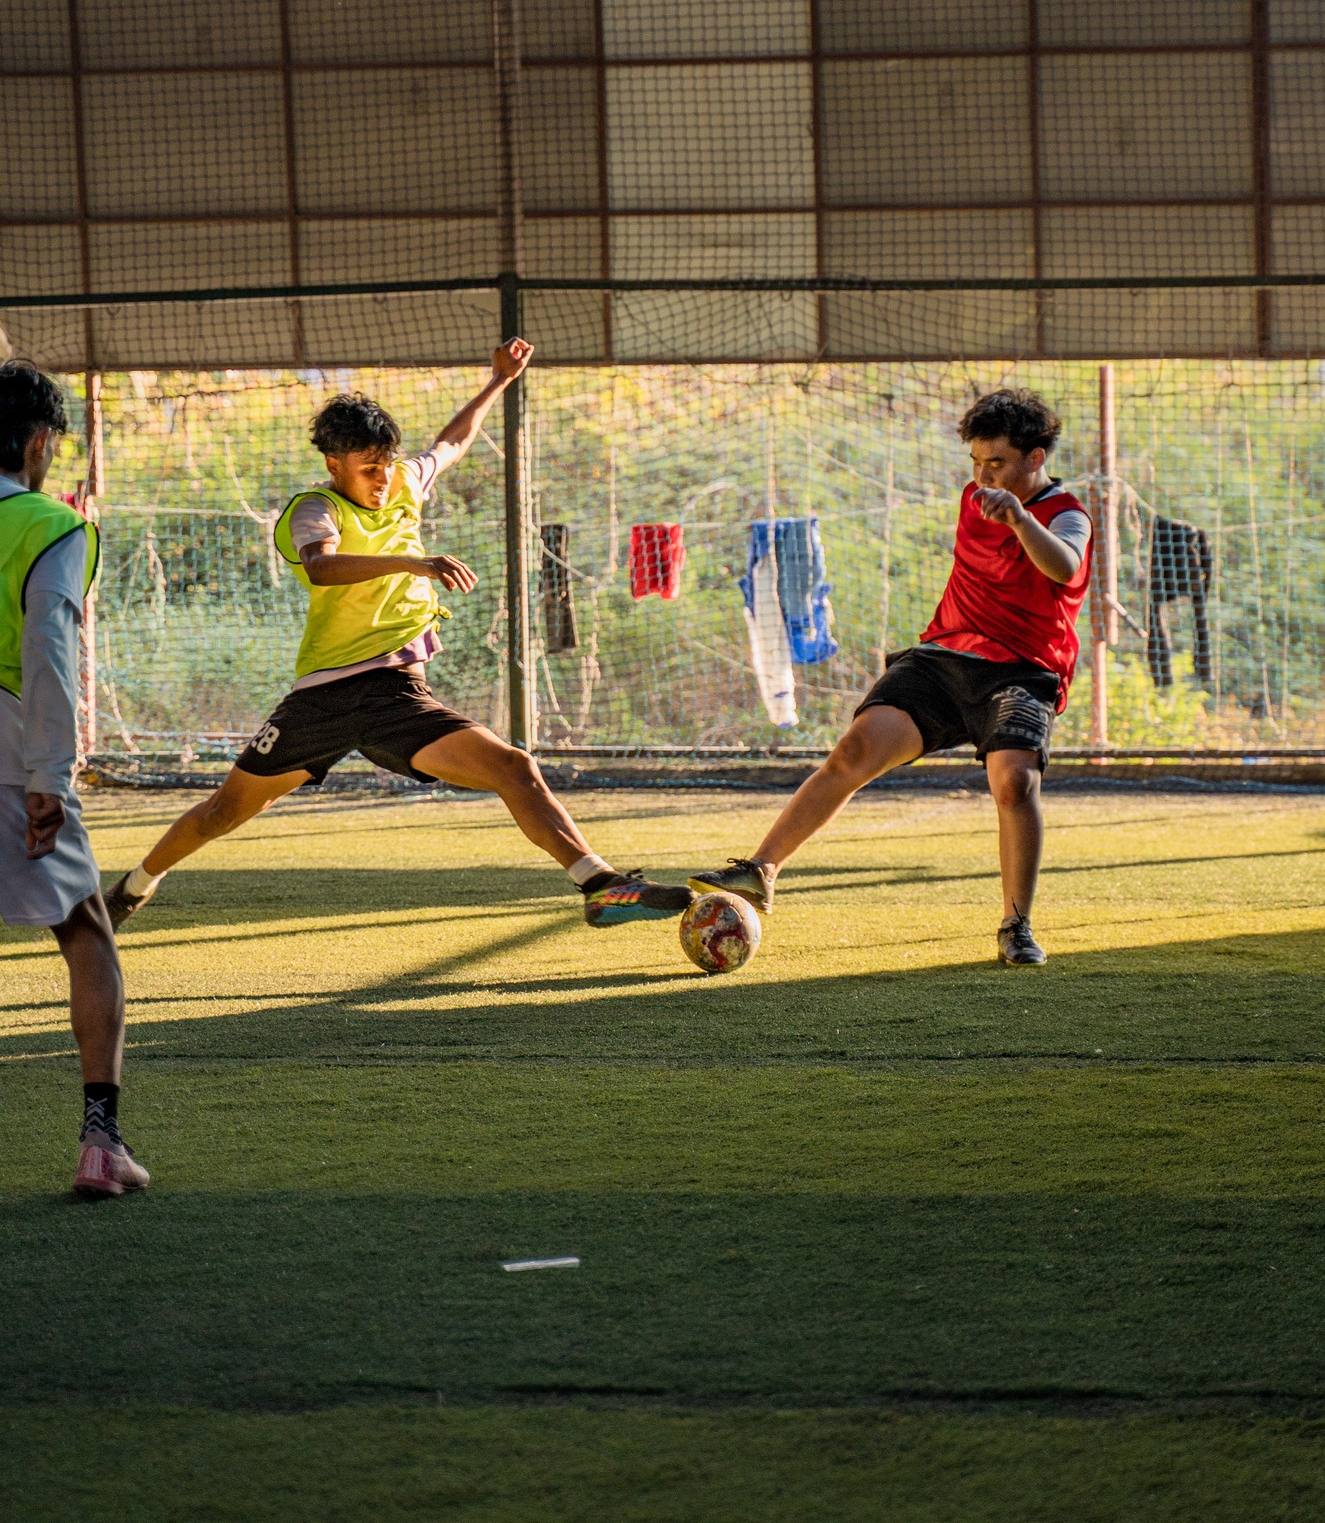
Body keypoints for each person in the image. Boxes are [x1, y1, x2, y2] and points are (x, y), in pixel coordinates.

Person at [105, 341, 689, 931]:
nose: (383, 479)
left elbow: (452, 443)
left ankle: (600, 886)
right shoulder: (315, 509)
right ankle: (130, 889)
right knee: (221, 813)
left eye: (386, 464)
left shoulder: (404, 480)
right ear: (334, 464)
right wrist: (415, 564)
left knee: (515, 768)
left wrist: (498, 381)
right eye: (369, 469)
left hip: (398, 697)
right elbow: (321, 567)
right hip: (323, 700)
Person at [690, 388, 1092, 966]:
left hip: (1022, 671)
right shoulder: (976, 497)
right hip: (943, 658)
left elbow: (1065, 564)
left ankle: (1016, 925)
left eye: (997, 463)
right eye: (976, 462)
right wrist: (1001, 502)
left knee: (1014, 783)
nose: (982, 476)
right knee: (855, 750)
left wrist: (1021, 519)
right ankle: (761, 870)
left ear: (1036, 457)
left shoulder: (1066, 514)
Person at [0, 362, 149, 1197]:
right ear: (38, 443)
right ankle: (101, 1145)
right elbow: (47, 653)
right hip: (10, 748)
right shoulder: (49, 526)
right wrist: (48, 778)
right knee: (88, 929)